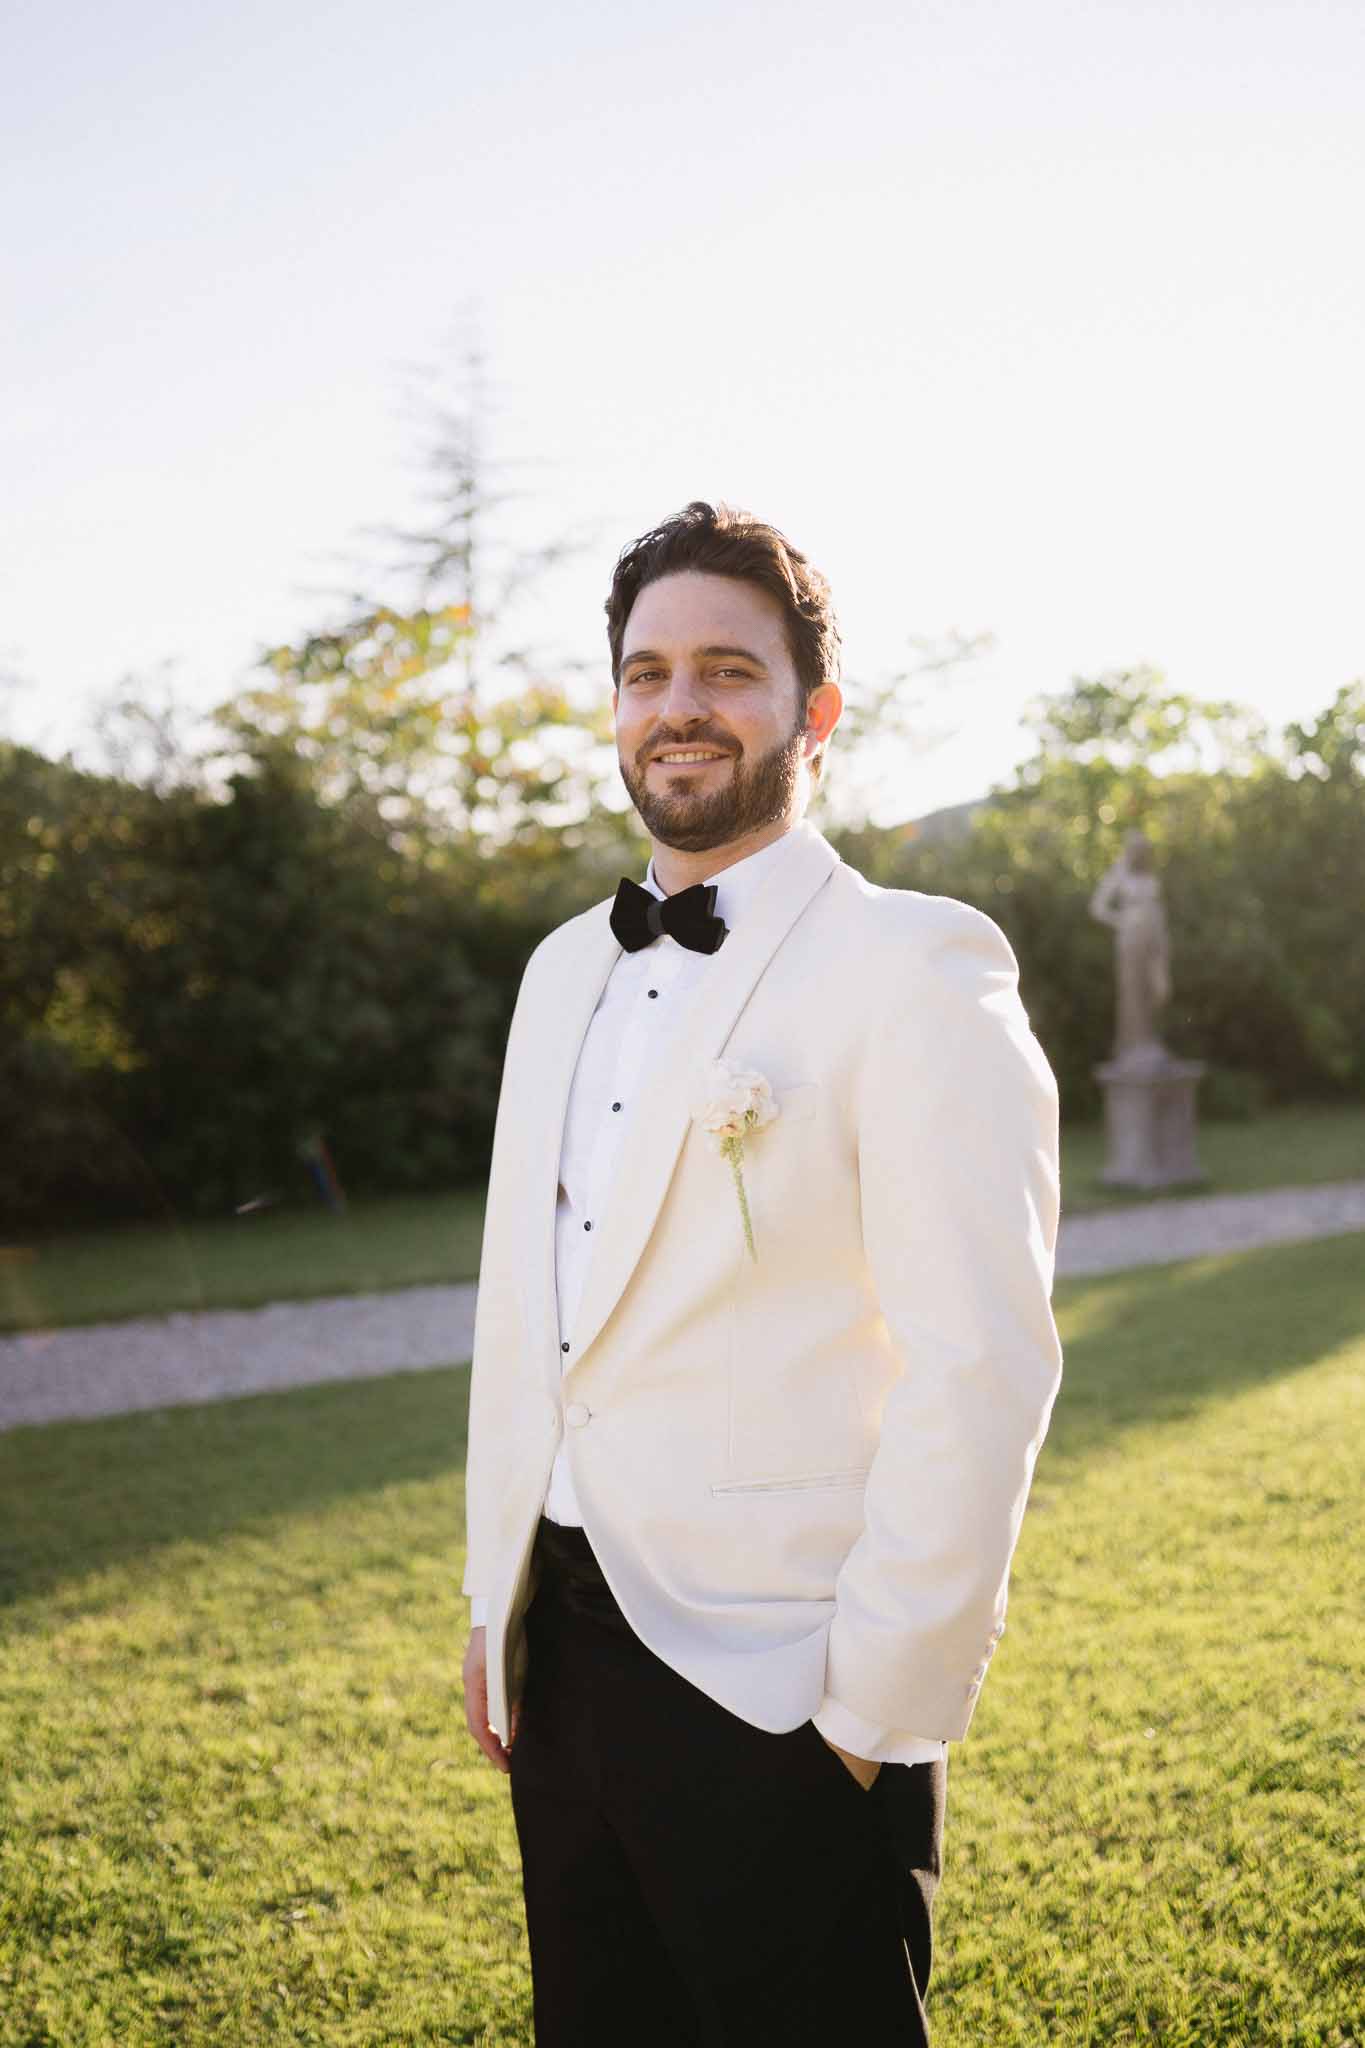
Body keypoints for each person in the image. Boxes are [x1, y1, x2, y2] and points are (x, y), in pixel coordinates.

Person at [461, 500, 1063, 2046]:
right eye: (646, 670)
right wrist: (493, 1597)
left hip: (782, 1677)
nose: (678, 706)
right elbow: (526, 1317)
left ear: (816, 709)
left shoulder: (914, 970)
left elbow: (978, 1367)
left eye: (727, 669)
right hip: (567, 1657)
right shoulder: (556, 973)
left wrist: (868, 1715)